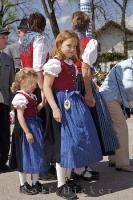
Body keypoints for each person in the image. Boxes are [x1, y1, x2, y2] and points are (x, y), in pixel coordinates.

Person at [43, 30, 102, 199]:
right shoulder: (54, 63)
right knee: (65, 145)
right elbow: (47, 87)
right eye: (68, 45)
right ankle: (61, 185)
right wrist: (55, 108)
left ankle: (68, 179)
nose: (71, 49)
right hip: (61, 104)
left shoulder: (70, 63)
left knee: (75, 142)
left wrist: (85, 97)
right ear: (59, 44)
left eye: (74, 46)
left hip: (73, 102)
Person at [71, 10, 118, 181]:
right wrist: (89, 94)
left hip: (69, 85)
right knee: (90, 125)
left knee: (75, 127)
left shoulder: (68, 39)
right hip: (83, 83)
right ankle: (82, 168)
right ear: (88, 24)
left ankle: (77, 166)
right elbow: (85, 68)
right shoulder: (90, 42)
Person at [20, 12, 55, 180]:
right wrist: (43, 90)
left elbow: (24, 65)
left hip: (24, 86)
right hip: (35, 86)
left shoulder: (24, 40)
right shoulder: (39, 39)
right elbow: (38, 68)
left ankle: (33, 166)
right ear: (42, 25)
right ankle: (42, 167)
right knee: (42, 128)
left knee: (31, 128)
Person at [9, 68, 49, 195]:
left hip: (34, 126)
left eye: (34, 83)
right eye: (31, 83)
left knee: (36, 154)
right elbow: (20, 116)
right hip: (24, 128)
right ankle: (23, 184)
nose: (34, 86)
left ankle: (35, 182)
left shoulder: (31, 96)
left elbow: (34, 111)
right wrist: (27, 132)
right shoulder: (20, 97)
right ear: (22, 82)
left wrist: (42, 104)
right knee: (24, 156)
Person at [100, 56, 133, 172]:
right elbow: (129, 86)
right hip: (111, 98)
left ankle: (114, 158)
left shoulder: (125, 63)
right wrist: (130, 104)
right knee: (121, 129)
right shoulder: (129, 66)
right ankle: (122, 163)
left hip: (106, 97)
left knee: (114, 129)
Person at [0, 26, 15, 172]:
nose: (6, 40)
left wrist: (12, 102)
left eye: (6, 37)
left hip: (4, 101)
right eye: (3, 37)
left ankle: (2, 162)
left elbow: (12, 82)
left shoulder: (8, 58)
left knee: (4, 133)